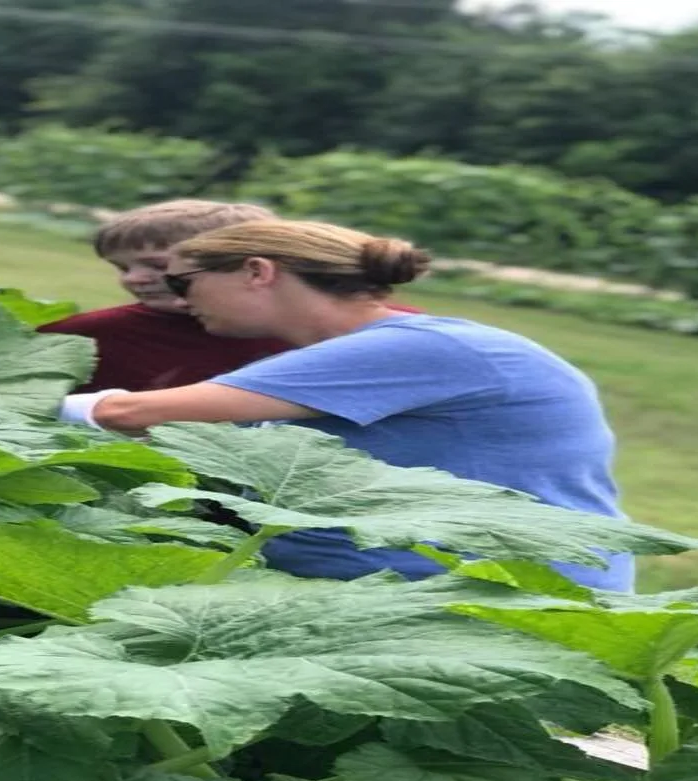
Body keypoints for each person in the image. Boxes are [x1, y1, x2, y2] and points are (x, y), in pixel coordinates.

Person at [59, 219, 634, 591]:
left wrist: (19, 406)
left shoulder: (418, 347)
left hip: (483, 597)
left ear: (257, 272)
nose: (180, 302)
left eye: (184, 284)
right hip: (428, 585)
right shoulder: (391, 345)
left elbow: (129, 416)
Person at [39, 199, 293, 392]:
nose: (132, 279)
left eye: (159, 266)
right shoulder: (86, 334)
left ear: (255, 270)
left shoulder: (296, 334)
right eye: (123, 268)